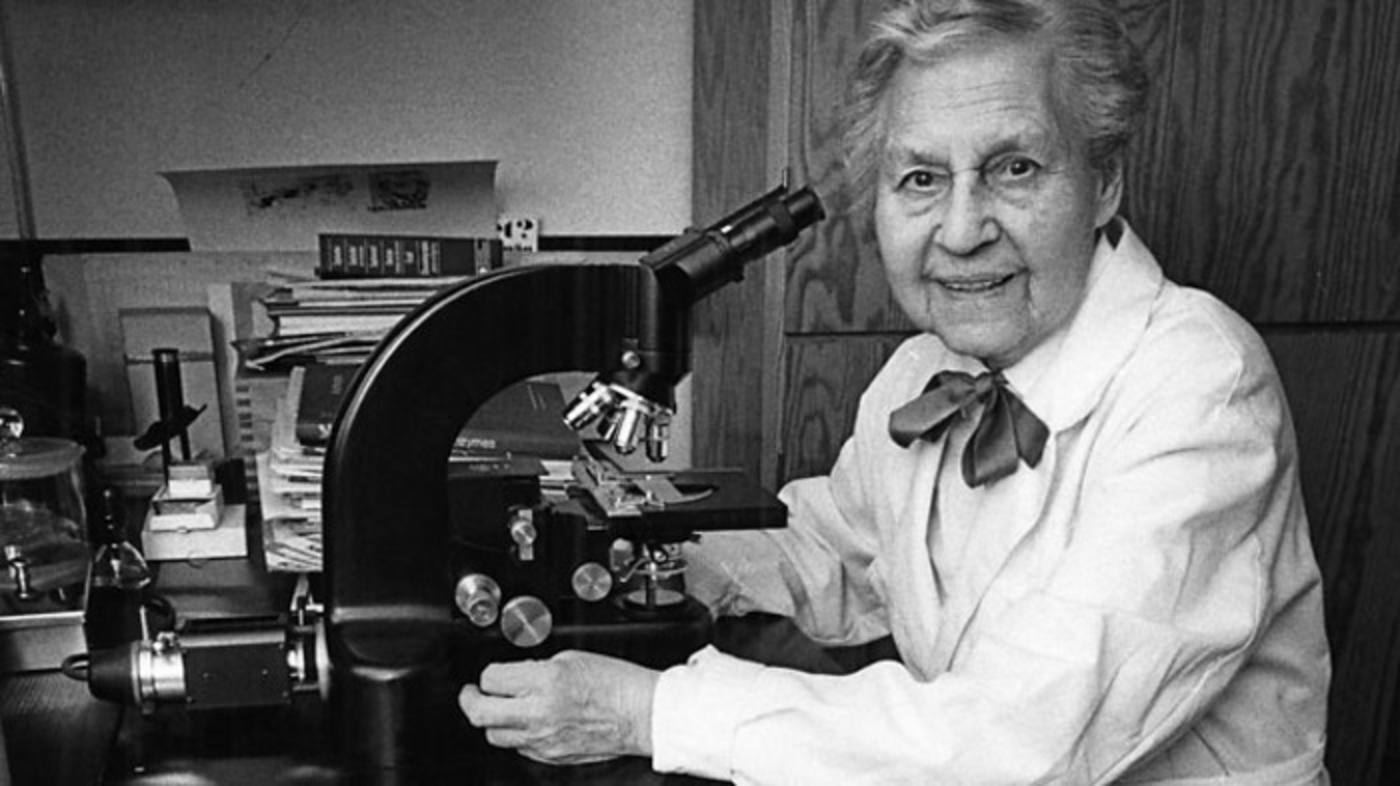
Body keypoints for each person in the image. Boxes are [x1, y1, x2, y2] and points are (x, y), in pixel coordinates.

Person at [458, 0, 1332, 782]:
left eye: (1015, 169)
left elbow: (1020, 744)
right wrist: (632, 556)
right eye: (921, 179)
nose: (962, 229)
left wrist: (649, 713)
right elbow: (835, 553)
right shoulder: (920, 374)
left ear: (1104, 184)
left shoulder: (1200, 385)